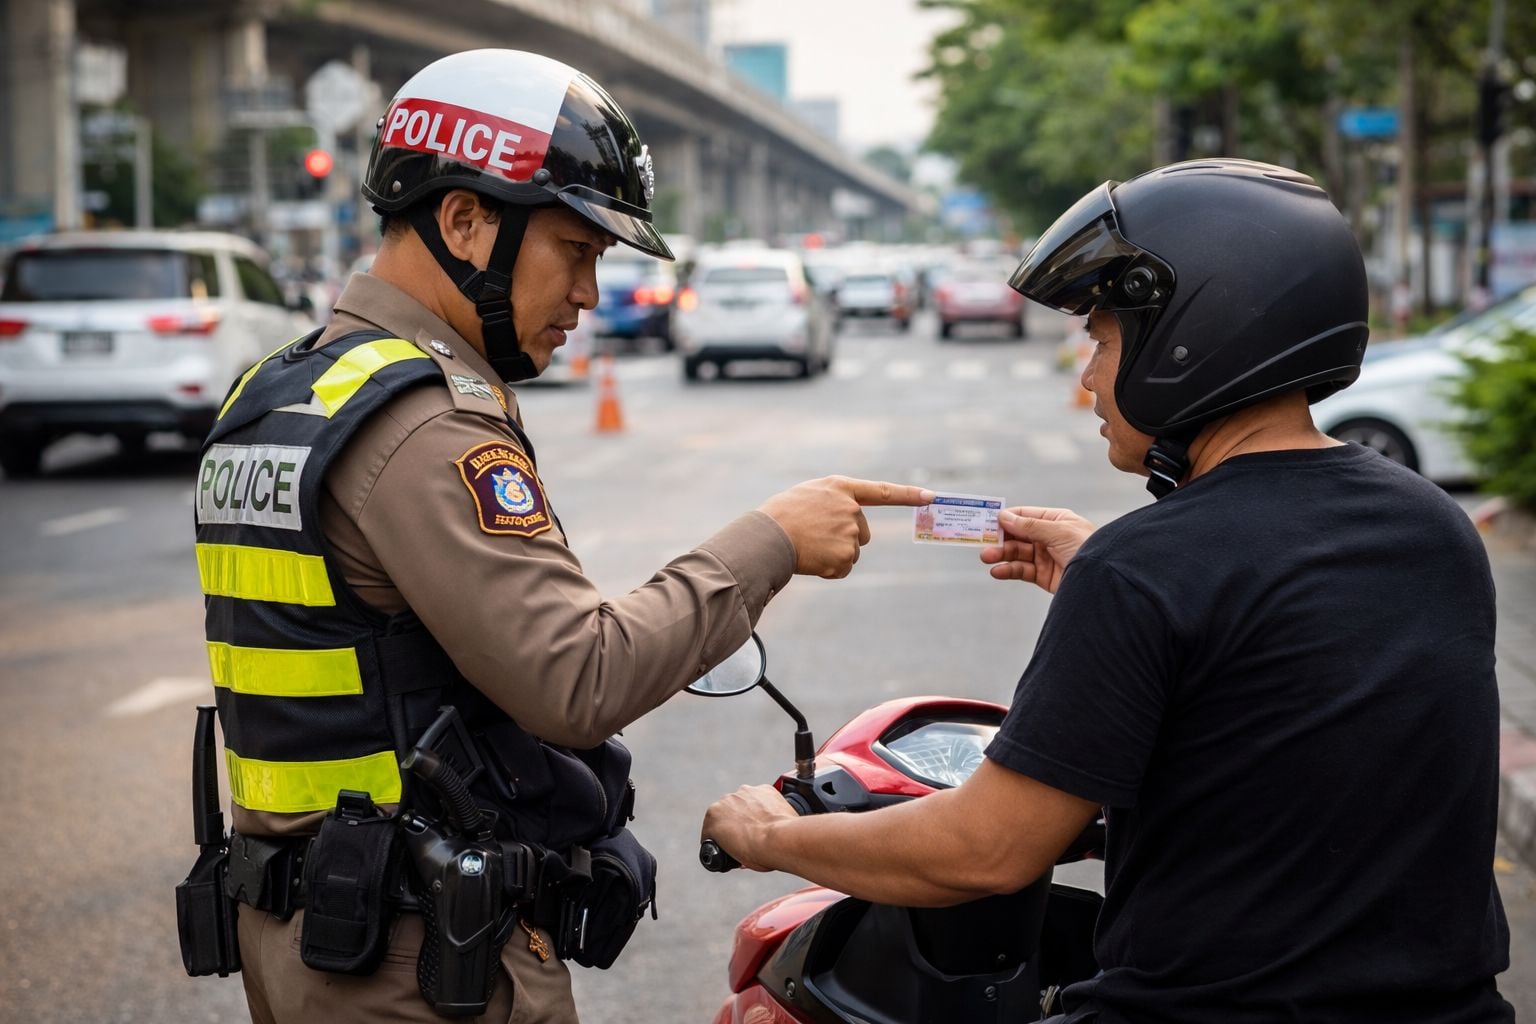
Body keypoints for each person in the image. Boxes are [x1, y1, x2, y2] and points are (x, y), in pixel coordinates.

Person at [192, 48, 931, 1024]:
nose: (589, 292)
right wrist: (773, 540)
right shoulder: (421, 421)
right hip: (412, 958)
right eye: (575, 251)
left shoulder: (282, 390)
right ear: (463, 221)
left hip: (310, 928)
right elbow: (577, 678)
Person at [703, 159, 1514, 1021]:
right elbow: (1302, 720)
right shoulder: (1434, 529)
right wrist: (1115, 581)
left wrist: (771, 838)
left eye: (1102, 338)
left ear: (1194, 335)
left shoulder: (1143, 569)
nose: (1087, 376)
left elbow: (983, 852)